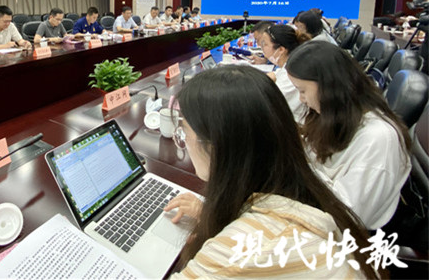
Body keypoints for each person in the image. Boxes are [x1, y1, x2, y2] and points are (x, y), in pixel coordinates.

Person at [165, 67, 377, 279]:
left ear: (215, 146)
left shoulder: (239, 254)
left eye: (184, 131)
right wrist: (209, 216)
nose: (183, 140)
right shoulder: (302, 188)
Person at [286, 41, 411, 230]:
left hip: (350, 235)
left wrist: (298, 168)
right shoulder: (336, 115)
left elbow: (349, 215)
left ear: (329, 87)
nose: (301, 99)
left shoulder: (378, 138)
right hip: (321, 212)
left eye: (302, 90)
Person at [259, 24, 310, 122]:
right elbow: (273, 75)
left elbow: (267, 105)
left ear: (281, 49)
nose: (262, 47)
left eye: (265, 44)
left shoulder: (292, 75)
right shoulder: (289, 65)